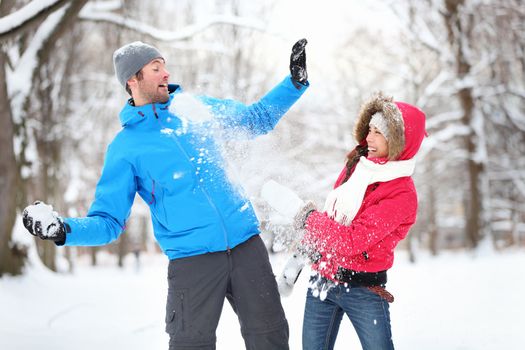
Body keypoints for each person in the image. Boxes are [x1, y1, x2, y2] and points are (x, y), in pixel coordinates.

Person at [21, 39, 309, 349]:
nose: (165, 74)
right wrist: (64, 230)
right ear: (133, 80)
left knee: (271, 338)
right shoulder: (126, 147)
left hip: (246, 247)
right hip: (191, 261)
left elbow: (257, 119)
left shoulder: (195, 110)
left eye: (165, 66)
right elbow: (108, 222)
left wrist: (294, 83)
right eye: (156, 68)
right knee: (190, 345)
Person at [293, 93, 426, 350]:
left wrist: (308, 218)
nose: (369, 138)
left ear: (399, 141)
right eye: (370, 129)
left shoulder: (401, 194)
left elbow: (351, 240)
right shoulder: (358, 166)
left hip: (364, 290)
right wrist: (309, 245)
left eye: (379, 132)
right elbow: (332, 218)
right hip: (323, 280)